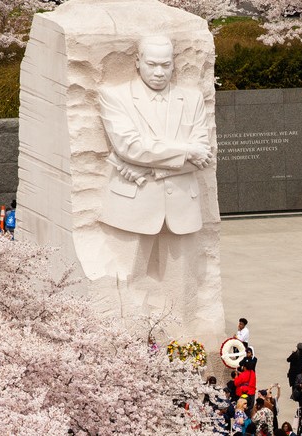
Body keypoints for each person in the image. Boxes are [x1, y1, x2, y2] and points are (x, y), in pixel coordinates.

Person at [93, 35, 214, 302]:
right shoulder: (115, 96)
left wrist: (152, 168)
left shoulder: (192, 98)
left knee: (183, 289)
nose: (159, 72)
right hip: (132, 206)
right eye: (152, 64)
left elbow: (202, 154)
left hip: (183, 205)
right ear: (137, 62)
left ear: (174, 64)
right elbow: (130, 147)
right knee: (126, 284)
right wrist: (183, 151)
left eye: (166, 65)